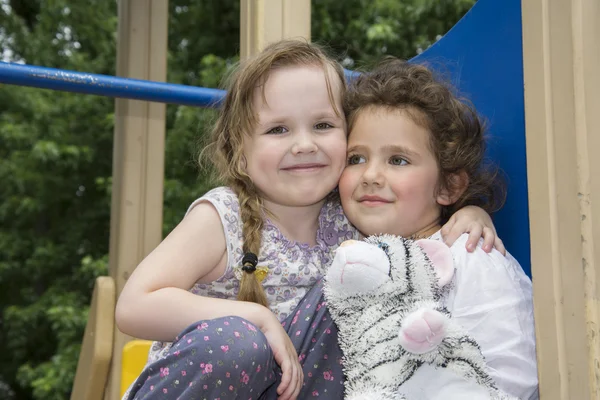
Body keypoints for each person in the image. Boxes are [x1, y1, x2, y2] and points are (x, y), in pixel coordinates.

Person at [115, 40, 503, 400]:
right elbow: (134, 306)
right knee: (239, 342)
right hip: (213, 381)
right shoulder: (224, 217)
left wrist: (467, 211)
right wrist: (256, 316)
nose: (304, 144)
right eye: (278, 129)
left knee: (365, 287)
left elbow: (416, 232)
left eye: (323, 125)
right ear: (239, 151)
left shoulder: (350, 218)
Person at [335, 58, 538, 399]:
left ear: (448, 187)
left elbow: (511, 375)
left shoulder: (470, 255)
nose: (369, 175)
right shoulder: (346, 258)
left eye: (398, 160)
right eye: (355, 159)